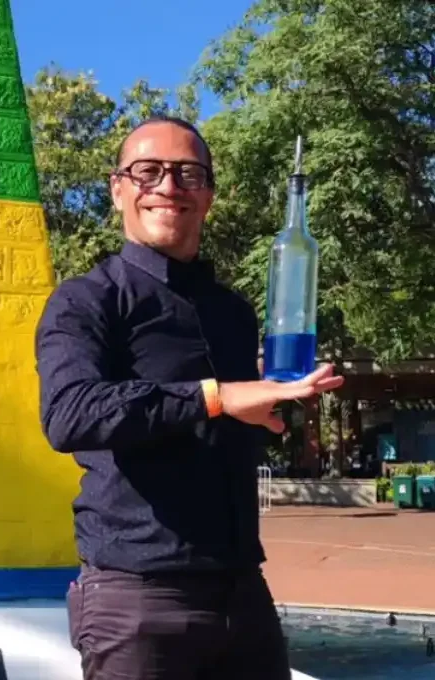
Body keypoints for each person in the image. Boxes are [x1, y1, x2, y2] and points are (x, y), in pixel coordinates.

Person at [35, 116, 344, 680]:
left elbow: (212, 423)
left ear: (209, 195)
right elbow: (69, 414)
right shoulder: (86, 301)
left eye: (187, 174)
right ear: (118, 190)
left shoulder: (233, 313)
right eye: (147, 172)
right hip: (139, 597)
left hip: (241, 591)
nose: (168, 187)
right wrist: (218, 396)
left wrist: (262, 408)